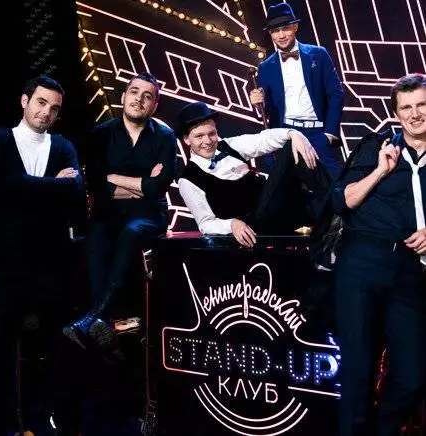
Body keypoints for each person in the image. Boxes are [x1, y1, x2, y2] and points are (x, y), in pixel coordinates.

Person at [0, 75, 83, 435]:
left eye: (54, 108)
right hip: (5, 262)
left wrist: (24, 191)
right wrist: (53, 186)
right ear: (24, 101)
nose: (47, 112)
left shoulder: (63, 145)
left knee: (57, 345)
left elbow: (74, 193)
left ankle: (51, 421)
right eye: (41, 102)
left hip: (52, 263)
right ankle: (2, 422)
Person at [332, 73, 426, 435]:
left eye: (421, 105)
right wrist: (379, 172)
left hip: (409, 270)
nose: (415, 114)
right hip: (363, 262)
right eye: (407, 107)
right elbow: (343, 200)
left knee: (414, 375)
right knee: (357, 368)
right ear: (396, 114)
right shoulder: (377, 146)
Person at [63, 72, 177, 354]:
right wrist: (141, 184)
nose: (139, 99)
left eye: (147, 96)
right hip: (109, 212)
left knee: (131, 232)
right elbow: (97, 184)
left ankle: (94, 316)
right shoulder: (101, 134)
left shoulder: (165, 136)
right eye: (134, 92)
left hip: (149, 214)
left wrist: (115, 178)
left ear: (154, 105)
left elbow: (158, 188)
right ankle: (104, 327)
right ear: (124, 96)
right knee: (96, 241)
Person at [177, 101, 329, 247]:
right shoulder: (188, 180)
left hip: (280, 209)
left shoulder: (229, 146)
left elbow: (262, 140)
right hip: (257, 225)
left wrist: (294, 134)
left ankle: (337, 206)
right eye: (199, 136)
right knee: (290, 151)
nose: (208, 141)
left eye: (212, 133)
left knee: (319, 200)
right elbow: (205, 223)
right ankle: (337, 200)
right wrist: (231, 224)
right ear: (186, 139)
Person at [249, 2, 344, 177]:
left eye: (285, 28)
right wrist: (257, 104)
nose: (281, 35)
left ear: (295, 27)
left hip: (319, 134)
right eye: (275, 31)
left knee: (334, 186)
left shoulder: (319, 54)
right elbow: (267, 111)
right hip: (286, 134)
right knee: (290, 189)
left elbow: (336, 94)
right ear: (270, 34)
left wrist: (330, 133)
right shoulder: (266, 67)